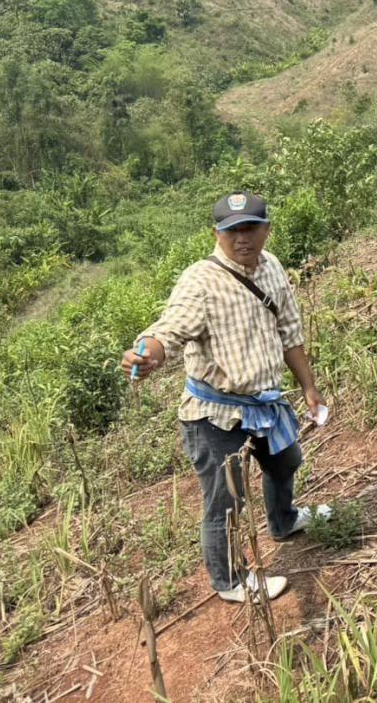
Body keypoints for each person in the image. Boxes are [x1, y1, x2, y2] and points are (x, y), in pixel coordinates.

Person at [120, 192, 330, 603]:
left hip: (263, 404)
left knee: (286, 461)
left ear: (267, 229)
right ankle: (229, 581)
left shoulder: (272, 270)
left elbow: (290, 334)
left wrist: (309, 386)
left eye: (250, 227)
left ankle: (284, 521)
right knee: (226, 500)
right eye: (232, 230)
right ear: (216, 234)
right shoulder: (201, 280)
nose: (242, 238)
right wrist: (148, 353)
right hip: (214, 413)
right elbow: (169, 329)